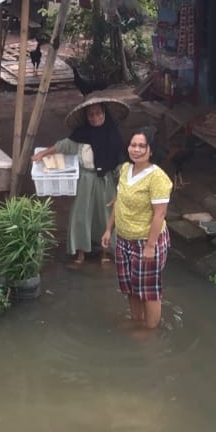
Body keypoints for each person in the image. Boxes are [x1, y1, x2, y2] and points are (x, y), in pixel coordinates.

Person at [33, 97, 124, 265]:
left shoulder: (114, 136)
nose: (95, 117)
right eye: (91, 114)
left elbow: (120, 163)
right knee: (81, 215)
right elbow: (62, 146)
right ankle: (80, 251)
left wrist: (124, 184)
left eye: (98, 113)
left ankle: (105, 252)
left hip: (106, 181)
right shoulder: (81, 135)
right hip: (85, 180)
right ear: (86, 117)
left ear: (104, 113)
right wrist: (42, 154)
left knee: (106, 216)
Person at [101, 127, 172, 330]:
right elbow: (119, 202)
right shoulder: (125, 169)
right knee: (130, 286)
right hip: (124, 240)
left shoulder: (157, 178)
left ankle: (150, 331)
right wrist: (109, 229)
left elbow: (160, 214)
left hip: (146, 242)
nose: (136, 150)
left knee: (149, 291)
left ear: (151, 150)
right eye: (133, 145)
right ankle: (136, 320)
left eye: (142, 146)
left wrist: (150, 246)